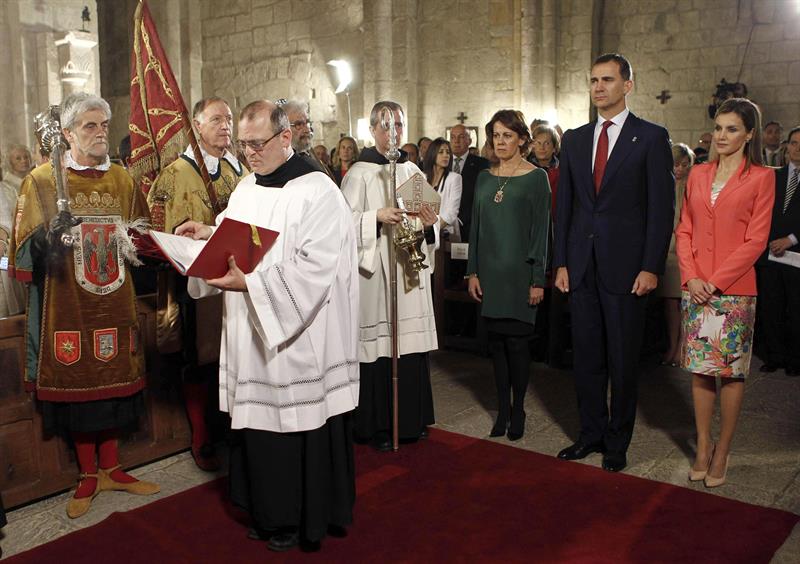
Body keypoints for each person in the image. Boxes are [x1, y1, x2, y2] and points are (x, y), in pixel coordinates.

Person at [179, 99, 359, 552]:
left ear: (285, 137)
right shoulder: (247, 186)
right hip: (251, 335)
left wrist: (253, 285)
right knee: (259, 428)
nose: (249, 154)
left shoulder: (319, 191)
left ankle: (298, 518)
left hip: (297, 336)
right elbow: (237, 229)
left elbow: (315, 267)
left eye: (256, 144)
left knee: (294, 426)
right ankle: (265, 510)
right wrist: (208, 232)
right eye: (243, 145)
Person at [9, 92, 159, 519]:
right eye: (89, 126)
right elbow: (20, 253)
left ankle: (113, 467)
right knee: (80, 388)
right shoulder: (41, 182)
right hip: (67, 308)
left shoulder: (123, 180)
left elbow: (144, 234)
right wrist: (44, 240)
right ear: (68, 133)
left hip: (115, 303)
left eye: (103, 126)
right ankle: (88, 474)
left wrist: (142, 241)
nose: (99, 134)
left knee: (114, 380)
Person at [553, 53, 674, 472]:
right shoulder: (574, 139)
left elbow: (660, 210)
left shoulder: (651, 138)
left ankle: (617, 442)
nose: (599, 87)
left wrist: (651, 266)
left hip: (628, 270)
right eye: (593, 80)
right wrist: (562, 263)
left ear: (628, 85)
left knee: (623, 360)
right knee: (586, 357)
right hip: (582, 266)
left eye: (607, 79)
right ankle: (590, 434)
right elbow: (565, 207)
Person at [676, 98, 774, 487]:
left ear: (749, 134)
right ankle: (702, 446)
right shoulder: (698, 174)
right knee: (700, 372)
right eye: (718, 128)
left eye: (732, 129)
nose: (721, 135)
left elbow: (756, 240)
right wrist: (692, 277)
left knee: (730, 373)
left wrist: (714, 282)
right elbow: (684, 228)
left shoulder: (763, 177)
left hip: (732, 291)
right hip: (696, 287)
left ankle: (724, 450)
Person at [147, 96, 248, 471]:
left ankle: (232, 426)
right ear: (197, 125)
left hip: (236, 279)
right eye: (217, 119)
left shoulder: (238, 172)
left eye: (230, 119)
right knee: (200, 357)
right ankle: (202, 435)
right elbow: (157, 230)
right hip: (192, 283)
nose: (226, 125)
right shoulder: (175, 174)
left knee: (232, 352)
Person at [341, 100, 439, 451]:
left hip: (407, 270)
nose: (393, 133)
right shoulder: (359, 173)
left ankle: (412, 418)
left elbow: (431, 222)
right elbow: (341, 227)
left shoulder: (412, 171)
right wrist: (374, 217)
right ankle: (379, 425)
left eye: (398, 125)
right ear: (372, 130)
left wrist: (429, 225)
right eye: (386, 126)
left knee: (409, 345)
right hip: (377, 273)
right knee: (381, 348)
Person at [466, 110, 550, 441]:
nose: (501, 142)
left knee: (517, 345)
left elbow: (541, 231)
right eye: (496, 135)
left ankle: (519, 411)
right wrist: (472, 272)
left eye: (507, 136)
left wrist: (537, 279)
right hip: (490, 275)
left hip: (521, 277)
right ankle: (502, 409)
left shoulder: (536, 178)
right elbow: (476, 228)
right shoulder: (485, 178)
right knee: (497, 347)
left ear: (522, 141)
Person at [755, 125, 800, 375]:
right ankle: (774, 356)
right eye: (794, 143)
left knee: (795, 309)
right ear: (786, 147)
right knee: (771, 307)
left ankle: (795, 360)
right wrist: (770, 240)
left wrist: (790, 239)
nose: (798, 149)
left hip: (797, 254)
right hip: (770, 253)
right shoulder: (773, 176)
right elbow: (761, 211)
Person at [657, 143, 695, 366]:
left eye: (684, 164)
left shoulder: (693, 187)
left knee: (685, 303)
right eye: (676, 164)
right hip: (665, 253)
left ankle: (683, 346)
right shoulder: (662, 185)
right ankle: (673, 345)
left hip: (686, 252)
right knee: (669, 303)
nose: (680, 169)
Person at [450, 124, 490, 244]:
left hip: (470, 225)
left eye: (461, 137)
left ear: (470, 141)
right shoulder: (442, 162)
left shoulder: (482, 164)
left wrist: (463, 219)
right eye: (452, 137)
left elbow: (483, 196)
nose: (456, 141)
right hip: (444, 226)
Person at [0, 148, 27, 317]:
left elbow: (16, 220)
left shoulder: (8, 190)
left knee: (13, 316)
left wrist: (3, 238)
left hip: (6, 256)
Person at [423, 137, 462, 240]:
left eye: (448, 152)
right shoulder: (423, 177)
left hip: (446, 233)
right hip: (425, 231)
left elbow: (451, 213)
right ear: (432, 154)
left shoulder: (454, 178)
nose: (446, 155)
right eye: (441, 152)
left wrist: (432, 228)